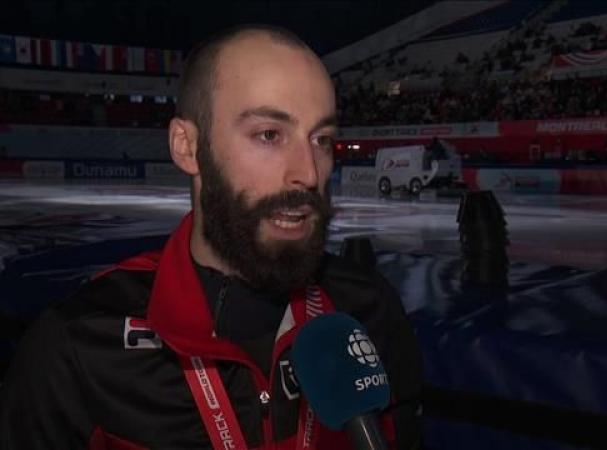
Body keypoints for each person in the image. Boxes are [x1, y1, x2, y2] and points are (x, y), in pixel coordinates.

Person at [0, 25, 423, 449]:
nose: (309, 174)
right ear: (187, 146)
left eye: (322, 139)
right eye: (269, 135)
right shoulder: (78, 344)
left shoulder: (368, 309)